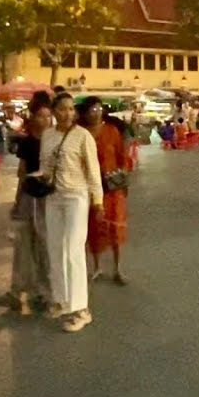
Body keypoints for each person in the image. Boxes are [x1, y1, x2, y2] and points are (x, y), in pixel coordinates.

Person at [39, 92, 103, 333]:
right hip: (53, 197)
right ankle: (61, 300)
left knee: (73, 249)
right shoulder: (47, 136)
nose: (67, 113)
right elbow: (44, 166)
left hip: (76, 196)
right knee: (55, 248)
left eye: (70, 109)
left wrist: (98, 201)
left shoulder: (82, 136)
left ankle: (81, 309)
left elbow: (93, 170)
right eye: (62, 109)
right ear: (54, 112)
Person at [0, 94, 53, 315]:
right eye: (41, 115)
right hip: (30, 197)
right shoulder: (29, 141)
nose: (45, 119)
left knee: (45, 247)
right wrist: (18, 202)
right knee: (23, 246)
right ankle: (17, 290)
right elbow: (21, 173)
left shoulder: (54, 140)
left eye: (48, 115)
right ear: (33, 116)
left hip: (47, 198)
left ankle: (45, 292)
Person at [81, 97, 133, 286]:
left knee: (115, 226)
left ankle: (118, 268)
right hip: (90, 188)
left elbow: (122, 156)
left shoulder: (111, 131)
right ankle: (96, 267)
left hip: (112, 189)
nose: (95, 113)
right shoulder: (82, 133)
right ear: (85, 113)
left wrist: (123, 176)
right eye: (91, 110)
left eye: (98, 109)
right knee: (94, 227)